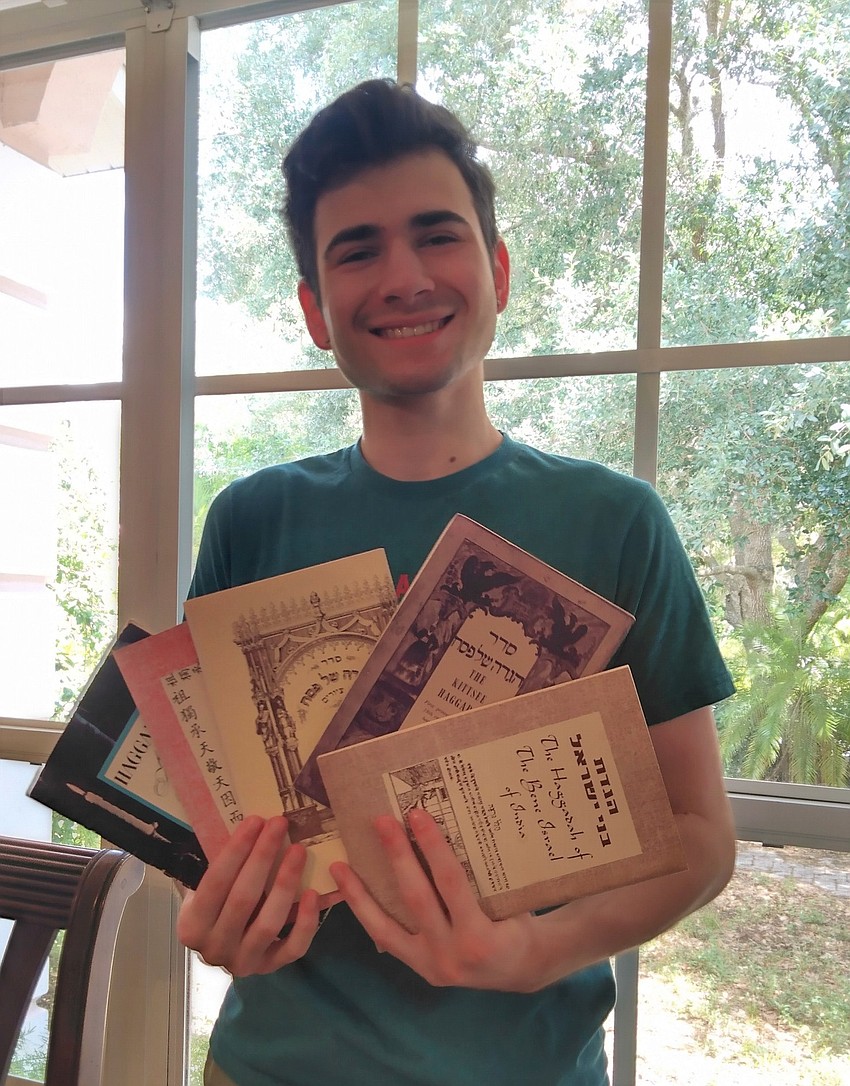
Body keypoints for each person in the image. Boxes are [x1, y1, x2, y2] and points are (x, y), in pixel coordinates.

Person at [178, 79, 736, 1086]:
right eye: (356, 251)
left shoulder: (614, 523)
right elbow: (211, 820)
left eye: (436, 235)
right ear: (314, 309)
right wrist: (223, 910)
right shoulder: (250, 521)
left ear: (498, 270)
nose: (402, 276)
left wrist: (535, 954)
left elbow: (701, 837)